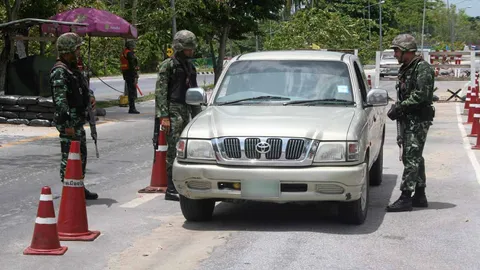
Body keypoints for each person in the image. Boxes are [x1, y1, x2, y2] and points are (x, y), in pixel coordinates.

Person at [386, 34, 435, 212]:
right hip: (409, 117)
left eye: (396, 50)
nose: (395, 54)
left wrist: (401, 107)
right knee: (415, 156)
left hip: (418, 119)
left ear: (407, 51)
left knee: (411, 157)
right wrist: (400, 107)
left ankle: (406, 197)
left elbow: (422, 95)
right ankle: (420, 195)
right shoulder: (407, 68)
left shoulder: (423, 69)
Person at [154, 30, 202, 201]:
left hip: (186, 109)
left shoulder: (190, 66)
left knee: (185, 148)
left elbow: (195, 93)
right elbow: (160, 92)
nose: (191, 51)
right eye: (189, 48)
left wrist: (199, 117)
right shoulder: (168, 65)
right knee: (173, 148)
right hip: (173, 109)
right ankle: (171, 188)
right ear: (180, 48)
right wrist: (164, 116)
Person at [50, 32, 98, 200]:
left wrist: (90, 96)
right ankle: (69, 191)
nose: (79, 52)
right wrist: (67, 123)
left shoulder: (73, 69)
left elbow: (83, 86)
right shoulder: (60, 71)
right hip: (69, 122)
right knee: (69, 157)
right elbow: (60, 101)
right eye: (76, 49)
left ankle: (79, 186)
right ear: (68, 50)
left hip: (77, 120)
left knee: (81, 155)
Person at [120, 39, 140, 114]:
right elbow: (132, 66)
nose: (133, 48)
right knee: (132, 91)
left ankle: (132, 107)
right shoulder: (129, 54)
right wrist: (135, 75)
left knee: (130, 90)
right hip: (130, 74)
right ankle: (132, 108)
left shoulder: (123, 53)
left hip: (126, 74)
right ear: (130, 46)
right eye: (133, 46)